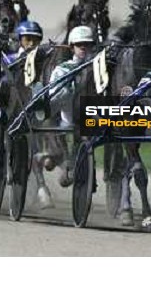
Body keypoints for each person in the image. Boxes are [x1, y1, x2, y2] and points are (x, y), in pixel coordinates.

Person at [48, 25, 95, 187]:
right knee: (65, 95)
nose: (83, 47)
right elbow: (54, 96)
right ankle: (68, 159)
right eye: (79, 44)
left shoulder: (98, 68)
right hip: (67, 116)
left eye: (87, 44)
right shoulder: (62, 69)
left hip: (92, 115)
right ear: (71, 47)